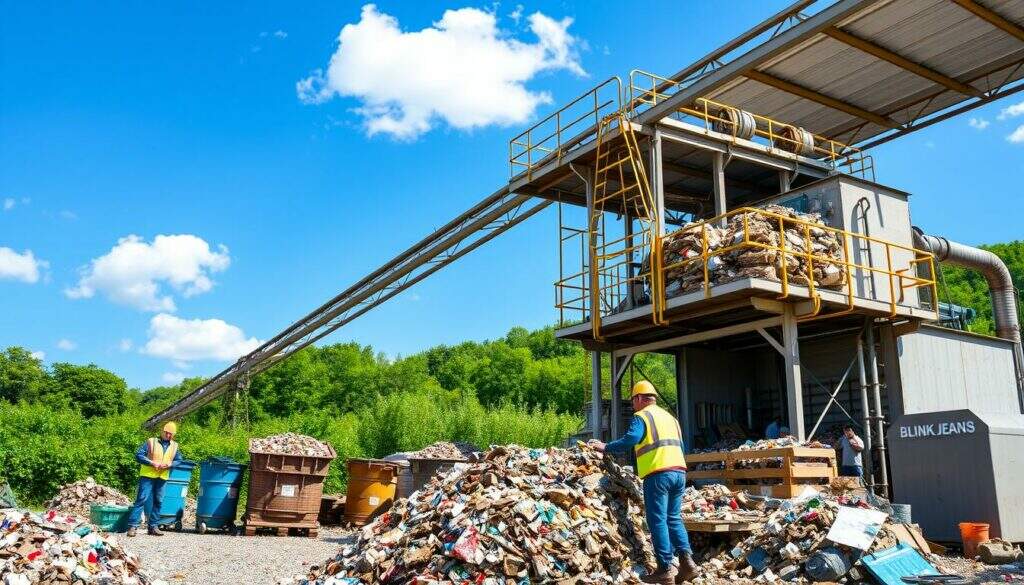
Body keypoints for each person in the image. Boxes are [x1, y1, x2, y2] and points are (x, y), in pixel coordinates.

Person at [590, 381, 698, 585]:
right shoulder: (671, 418)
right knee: (673, 518)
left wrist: (605, 446)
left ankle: (665, 568)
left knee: (657, 520)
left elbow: (631, 439)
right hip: (679, 472)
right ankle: (688, 563)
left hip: (658, 474)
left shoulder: (642, 416)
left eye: (633, 401)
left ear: (639, 398)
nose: (633, 406)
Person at [126, 421, 182, 537]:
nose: (168, 435)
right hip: (148, 476)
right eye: (166, 433)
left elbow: (179, 460)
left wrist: (169, 464)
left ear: (173, 435)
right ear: (162, 431)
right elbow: (139, 455)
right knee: (141, 499)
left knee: (158, 502)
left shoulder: (175, 446)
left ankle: (153, 527)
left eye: (171, 434)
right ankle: (132, 526)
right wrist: (152, 463)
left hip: (162, 477)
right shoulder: (151, 442)